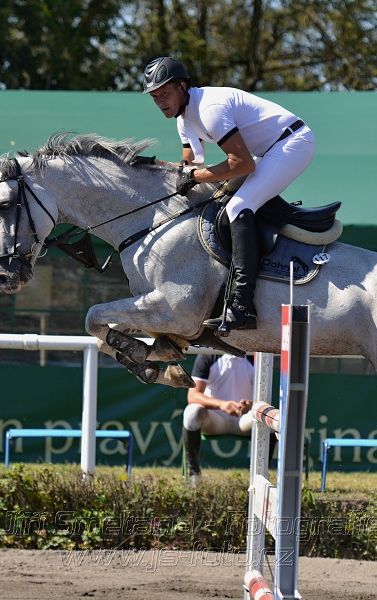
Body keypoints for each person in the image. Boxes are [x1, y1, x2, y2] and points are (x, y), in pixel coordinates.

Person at [142, 56, 316, 331]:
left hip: (293, 143)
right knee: (221, 199)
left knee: (238, 208)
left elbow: (240, 164)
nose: (160, 100)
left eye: (165, 93)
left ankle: (242, 306)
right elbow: (191, 166)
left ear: (183, 87)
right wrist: (154, 168)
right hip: (267, 151)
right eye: (155, 96)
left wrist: (194, 176)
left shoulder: (210, 108)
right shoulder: (183, 119)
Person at [183, 352, 256, 484]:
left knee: (269, 418)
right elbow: (193, 396)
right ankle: (194, 474)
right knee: (191, 412)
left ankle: (259, 476)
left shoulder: (256, 355)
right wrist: (221, 404)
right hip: (215, 420)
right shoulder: (208, 354)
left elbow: (263, 399)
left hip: (245, 421)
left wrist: (250, 405)